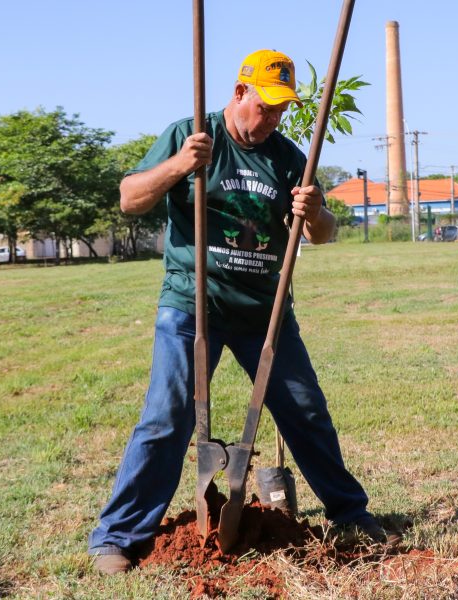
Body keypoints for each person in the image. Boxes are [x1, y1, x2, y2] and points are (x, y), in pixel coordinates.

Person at [88, 49, 391, 575]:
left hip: (263, 311)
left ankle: (350, 512)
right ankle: (118, 535)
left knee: (306, 410)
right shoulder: (191, 133)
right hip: (192, 304)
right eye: (265, 106)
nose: (272, 118)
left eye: (280, 109)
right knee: (167, 417)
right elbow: (130, 198)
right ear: (238, 93)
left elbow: (324, 235)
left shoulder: (290, 156)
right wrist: (183, 163)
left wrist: (314, 212)